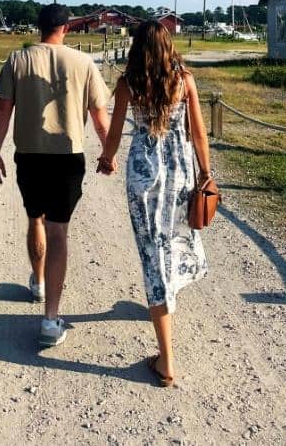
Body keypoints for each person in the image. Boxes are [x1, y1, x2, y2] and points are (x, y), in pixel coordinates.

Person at [98, 20, 213, 387]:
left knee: (154, 257)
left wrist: (107, 158)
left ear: (136, 47)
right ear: (167, 44)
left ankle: (166, 360)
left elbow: (115, 133)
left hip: (143, 179)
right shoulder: (185, 80)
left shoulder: (128, 84)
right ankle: (166, 302)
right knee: (171, 248)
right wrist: (206, 172)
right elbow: (197, 133)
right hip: (179, 176)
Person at [0, 3, 110, 347]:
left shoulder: (18, 60)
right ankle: (50, 318)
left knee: (35, 219)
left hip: (29, 155)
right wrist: (108, 153)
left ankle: (38, 282)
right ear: (66, 28)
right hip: (67, 156)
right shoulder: (83, 63)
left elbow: (2, 109)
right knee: (60, 233)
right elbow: (99, 115)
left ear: (37, 27)